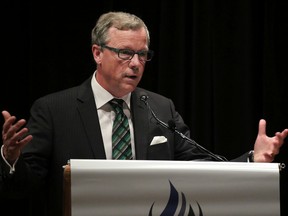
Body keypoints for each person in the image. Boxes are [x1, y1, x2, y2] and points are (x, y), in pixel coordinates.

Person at [1, 11, 288, 216]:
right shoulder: (53, 110)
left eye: (143, 54)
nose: (136, 63)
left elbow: (202, 170)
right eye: (125, 52)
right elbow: (24, 187)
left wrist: (253, 159)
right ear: (97, 53)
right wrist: (11, 159)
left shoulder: (161, 108)